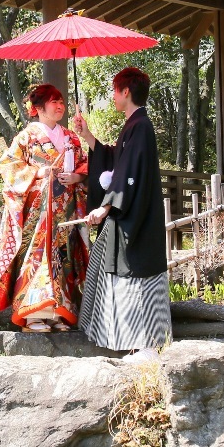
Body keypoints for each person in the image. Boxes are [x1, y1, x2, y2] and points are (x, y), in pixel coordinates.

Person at [72, 67, 170, 363]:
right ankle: (133, 342)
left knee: (135, 271)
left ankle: (146, 345)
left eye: (115, 91)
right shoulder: (135, 125)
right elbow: (117, 160)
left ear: (126, 91)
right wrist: (87, 135)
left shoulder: (140, 126)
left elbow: (130, 174)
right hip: (129, 211)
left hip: (135, 215)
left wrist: (105, 207)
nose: (113, 96)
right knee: (114, 265)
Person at [0, 84, 90, 332]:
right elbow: (9, 165)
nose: (60, 106)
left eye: (62, 102)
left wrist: (77, 177)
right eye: (54, 102)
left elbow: (84, 165)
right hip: (37, 213)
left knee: (64, 257)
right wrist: (37, 173)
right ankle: (33, 314)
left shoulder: (71, 137)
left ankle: (58, 312)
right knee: (36, 257)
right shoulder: (27, 137)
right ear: (39, 108)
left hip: (64, 210)